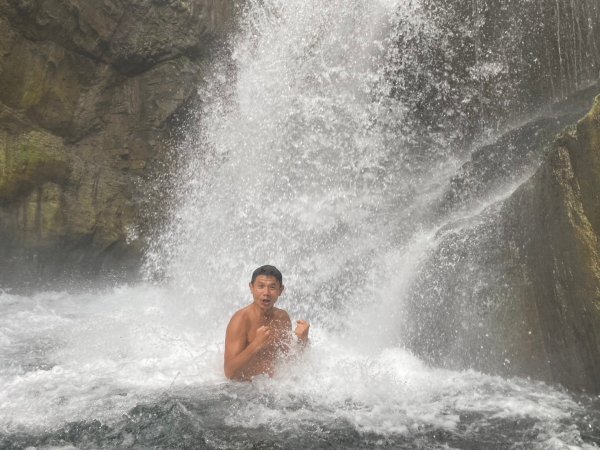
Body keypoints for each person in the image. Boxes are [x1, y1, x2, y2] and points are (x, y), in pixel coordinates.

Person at [224, 265, 309, 380]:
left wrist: (303, 340)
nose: (266, 293)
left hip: (271, 388)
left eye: (272, 287)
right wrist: (255, 344)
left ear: (281, 290)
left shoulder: (282, 317)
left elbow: (289, 362)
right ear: (251, 287)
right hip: (241, 390)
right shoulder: (241, 320)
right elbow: (229, 373)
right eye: (261, 286)